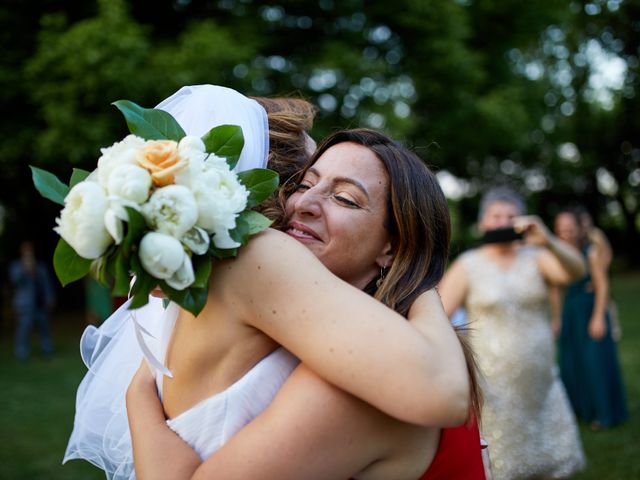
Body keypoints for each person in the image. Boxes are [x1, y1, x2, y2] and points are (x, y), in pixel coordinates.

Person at [64, 86, 472, 478]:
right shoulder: (261, 268)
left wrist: (138, 395)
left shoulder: (369, 368)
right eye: (303, 184)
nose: (302, 204)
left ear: (393, 247)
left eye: (345, 198)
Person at [438, 187, 586, 480]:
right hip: (492, 381)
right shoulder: (469, 265)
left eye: (511, 216)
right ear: (483, 223)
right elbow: (439, 316)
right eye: (496, 216)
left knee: (549, 462)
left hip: (539, 377)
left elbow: (576, 272)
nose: (504, 222)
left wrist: (549, 241)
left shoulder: (537, 256)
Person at [554, 209, 627, 430]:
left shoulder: (591, 252)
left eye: (569, 228)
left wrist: (598, 317)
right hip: (570, 313)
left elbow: (603, 285)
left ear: (579, 229)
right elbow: (555, 290)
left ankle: (604, 414)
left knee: (595, 363)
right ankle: (580, 410)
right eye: (561, 229)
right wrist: (556, 318)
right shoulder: (557, 254)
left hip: (590, 309)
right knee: (571, 362)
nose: (565, 234)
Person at [9, 240, 56, 360]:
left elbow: (46, 284)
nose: (28, 253)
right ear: (22, 252)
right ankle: (21, 352)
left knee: (44, 327)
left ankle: (47, 349)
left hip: (40, 303)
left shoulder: (40, 267)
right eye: (26, 250)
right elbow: (15, 280)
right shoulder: (16, 266)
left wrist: (50, 298)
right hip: (25, 305)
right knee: (23, 329)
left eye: (30, 250)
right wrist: (25, 269)